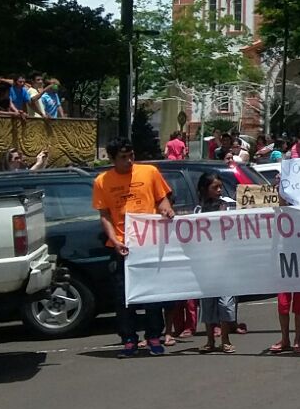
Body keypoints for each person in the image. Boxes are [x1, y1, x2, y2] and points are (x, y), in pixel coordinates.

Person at [91, 137, 176, 357]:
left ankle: (154, 337)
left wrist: (166, 210)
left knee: (152, 295)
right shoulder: (102, 181)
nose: (129, 161)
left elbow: (162, 199)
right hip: (122, 247)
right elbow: (104, 215)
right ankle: (129, 340)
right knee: (123, 297)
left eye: (131, 156)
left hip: (149, 244)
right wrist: (114, 240)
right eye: (123, 157)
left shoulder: (150, 172)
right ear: (112, 159)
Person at [194, 173, 238, 354]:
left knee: (226, 303)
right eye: (215, 187)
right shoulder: (198, 211)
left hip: (226, 263)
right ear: (205, 189)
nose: (219, 190)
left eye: (220, 187)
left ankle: (225, 339)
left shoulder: (228, 205)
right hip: (207, 265)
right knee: (208, 303)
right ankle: (210, 340)